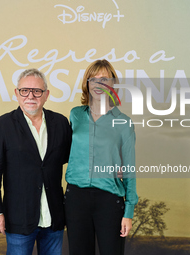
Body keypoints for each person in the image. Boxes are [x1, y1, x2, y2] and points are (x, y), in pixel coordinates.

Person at [0, 68, 72, 255]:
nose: (30, 96)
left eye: (37, 91)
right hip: (18, 218)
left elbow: (71, 159)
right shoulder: (2, 126)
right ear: (16, 93)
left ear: (46, 95)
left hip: (54, 217)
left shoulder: (61, 123)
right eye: (25, 90)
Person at [64, 59, 138, 255]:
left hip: (109, 201)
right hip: (76, 199)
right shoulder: (75, 115)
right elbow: (64, 153)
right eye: (93, 79)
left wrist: (129, 211)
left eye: (104, 79)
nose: (99, 84)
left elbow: (130, 168)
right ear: (87, 84)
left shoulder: (123, 123)